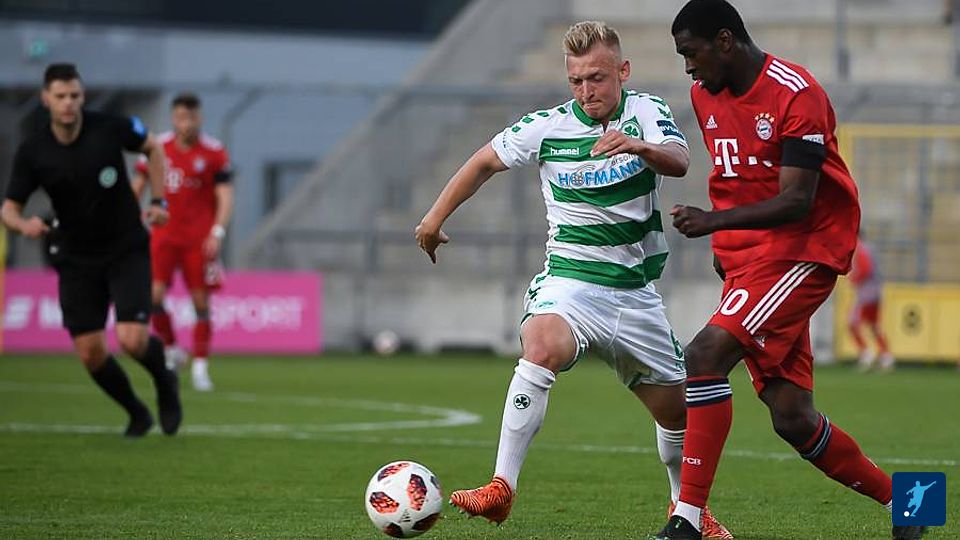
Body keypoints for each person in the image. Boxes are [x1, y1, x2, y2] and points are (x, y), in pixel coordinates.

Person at [415, 21, 732, 538]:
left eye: (597, 78)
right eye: (577, 81)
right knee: (541, 345)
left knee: (678, 415)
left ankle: (688, 510)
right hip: (571, 282)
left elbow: (679, 161)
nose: (586, 91)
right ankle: (501, 486)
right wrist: (433, 219)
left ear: (622, 72)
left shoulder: (646, 112)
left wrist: (638, 146)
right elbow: (483, 162)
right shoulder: (547, 127)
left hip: (634, 294)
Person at [653, 2, 925, 539]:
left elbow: (797, 201)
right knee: (792, 416)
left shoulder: (797, 94)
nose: (688, 67)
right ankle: (912, 503)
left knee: (704, 355)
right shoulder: (704, 94)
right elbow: (733, 174)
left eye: (692, 53)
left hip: (805, 250)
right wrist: (726, 241)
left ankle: (686, 521)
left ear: (725, 41)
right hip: (750, 260)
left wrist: (713, 222)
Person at [1, 63, 182, 437]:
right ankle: (137, 413)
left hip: (124, 247)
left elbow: (154, 147)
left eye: (75, 95)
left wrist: (159, 200)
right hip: (76, 257)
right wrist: (23, 225)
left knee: (132, 340)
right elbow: (9, 209)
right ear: (46, 99)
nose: (68, 103)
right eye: (60, 96)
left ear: (82, 97)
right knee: (90, 353)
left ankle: (165, 381)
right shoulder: (34, 151)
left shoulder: (110, 128)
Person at [132, 93, 233, 392]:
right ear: (173, 118)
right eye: (180, 117)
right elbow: (138, 184)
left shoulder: (214, 152)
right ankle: (172, 348)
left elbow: (225, 195)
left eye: (191, 117)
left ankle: (201, 367)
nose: (186, 123)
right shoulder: (156, 147)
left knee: (201, 302)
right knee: (152, 297)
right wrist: (127, 218)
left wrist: (217, 232)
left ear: (199, 118)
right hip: (163, 235)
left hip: (198, 240)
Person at [848, 234, 894, 371]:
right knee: (874, 326)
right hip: (876, 292)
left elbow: (865, 269)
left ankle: (866, 354)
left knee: (852, 323)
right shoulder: (871, 248)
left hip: (866, 295)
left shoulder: (861, 249)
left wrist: (854, 278)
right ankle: (886, 356)